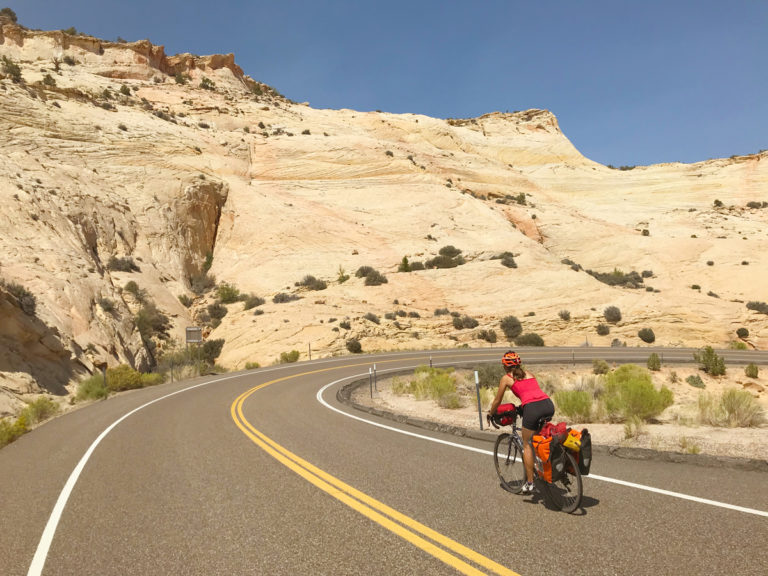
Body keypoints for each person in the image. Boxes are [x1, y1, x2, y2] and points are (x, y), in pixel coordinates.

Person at [488, 350, 554, 494]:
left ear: (505, 366)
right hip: (548, 405)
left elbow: (497, 400)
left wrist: (490, 413)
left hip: (533, 408)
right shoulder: (529, 373)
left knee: (527, 445)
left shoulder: (506, 378)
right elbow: (532, 392)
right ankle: (546, 466)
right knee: (538, 438)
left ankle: (530, 484)